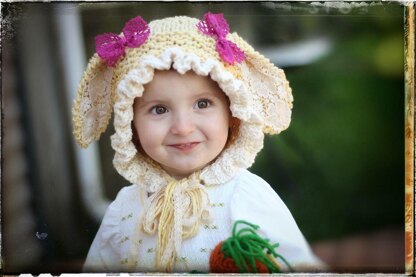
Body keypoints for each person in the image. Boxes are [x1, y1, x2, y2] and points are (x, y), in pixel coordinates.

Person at [72, 12, 324, 273]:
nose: (182, 127)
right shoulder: (123, 211)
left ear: (232, 113)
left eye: (202, 104)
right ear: (130, 124)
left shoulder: (246, 197)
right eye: (159, 109)